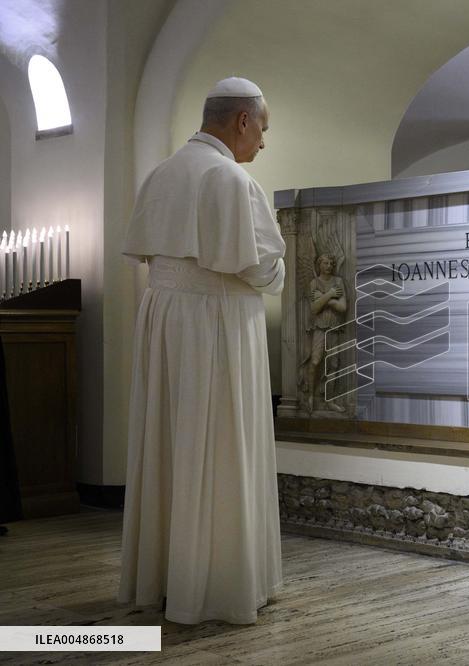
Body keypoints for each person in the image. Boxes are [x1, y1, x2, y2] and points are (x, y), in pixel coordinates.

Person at [119, 77, 285, 624]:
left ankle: (169, 577)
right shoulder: (230, 178)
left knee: (172, 442)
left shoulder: (162, 173)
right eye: (262, 127)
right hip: (216, 321)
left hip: (165, 315)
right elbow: (263, 267)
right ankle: (216, 583)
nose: (262, 141)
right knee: (217, 441)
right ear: (242, 120)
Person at [306, 253, 347, 412]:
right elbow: (314, 308)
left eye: (331, 263)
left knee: (333, 364)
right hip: (320, 328)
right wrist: (331, 295)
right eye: (325, 263)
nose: (329, 266)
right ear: (319, 265)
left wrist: (324, 298)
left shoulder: (338, 282)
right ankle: (310, 396)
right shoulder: (314, 283)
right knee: (315, 361)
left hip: (334, 328)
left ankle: (329, 399)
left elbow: (343, 308)